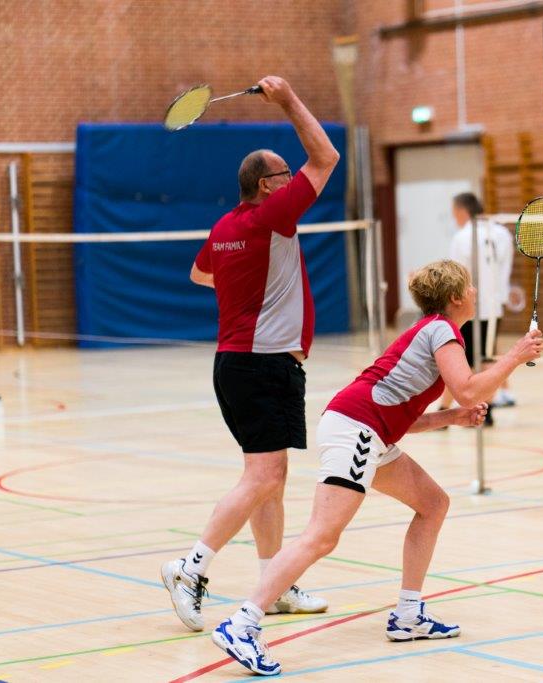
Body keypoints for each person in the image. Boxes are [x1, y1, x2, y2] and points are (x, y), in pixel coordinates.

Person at [210, 260, 543, 676]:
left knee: (433, 504)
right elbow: (467, 388)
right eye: (471, 286)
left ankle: (408, 614)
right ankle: (242, 624)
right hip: (357, 429)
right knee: (321, 536)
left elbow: (401, 414)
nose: (476, 291)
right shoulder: (443, 330)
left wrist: (450, 418)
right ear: (457, 296)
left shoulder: (429, 332)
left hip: (368, 430)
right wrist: (515, 355)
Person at [161, 75, 340, 632]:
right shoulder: (273, 215)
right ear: (267, 186)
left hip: (234, 364)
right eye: (285, 175)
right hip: (264, 366)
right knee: (264, 478)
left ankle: (274, 584)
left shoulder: (225, 227)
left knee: (270, 477)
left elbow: (199, 275)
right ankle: (190, 567)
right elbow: (326, 157)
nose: (293, 179)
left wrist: (248, 283)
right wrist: (288, 98)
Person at [438, 192, 516, 424]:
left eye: (454, 213)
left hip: (469, 308)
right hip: (494, 307)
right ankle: (485, 411)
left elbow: (456, 276)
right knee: (486, 357)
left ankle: (446, 411)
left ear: (462, 211)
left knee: (464, 361)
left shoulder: (462, 236)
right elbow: (505, 268)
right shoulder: (501, 233)